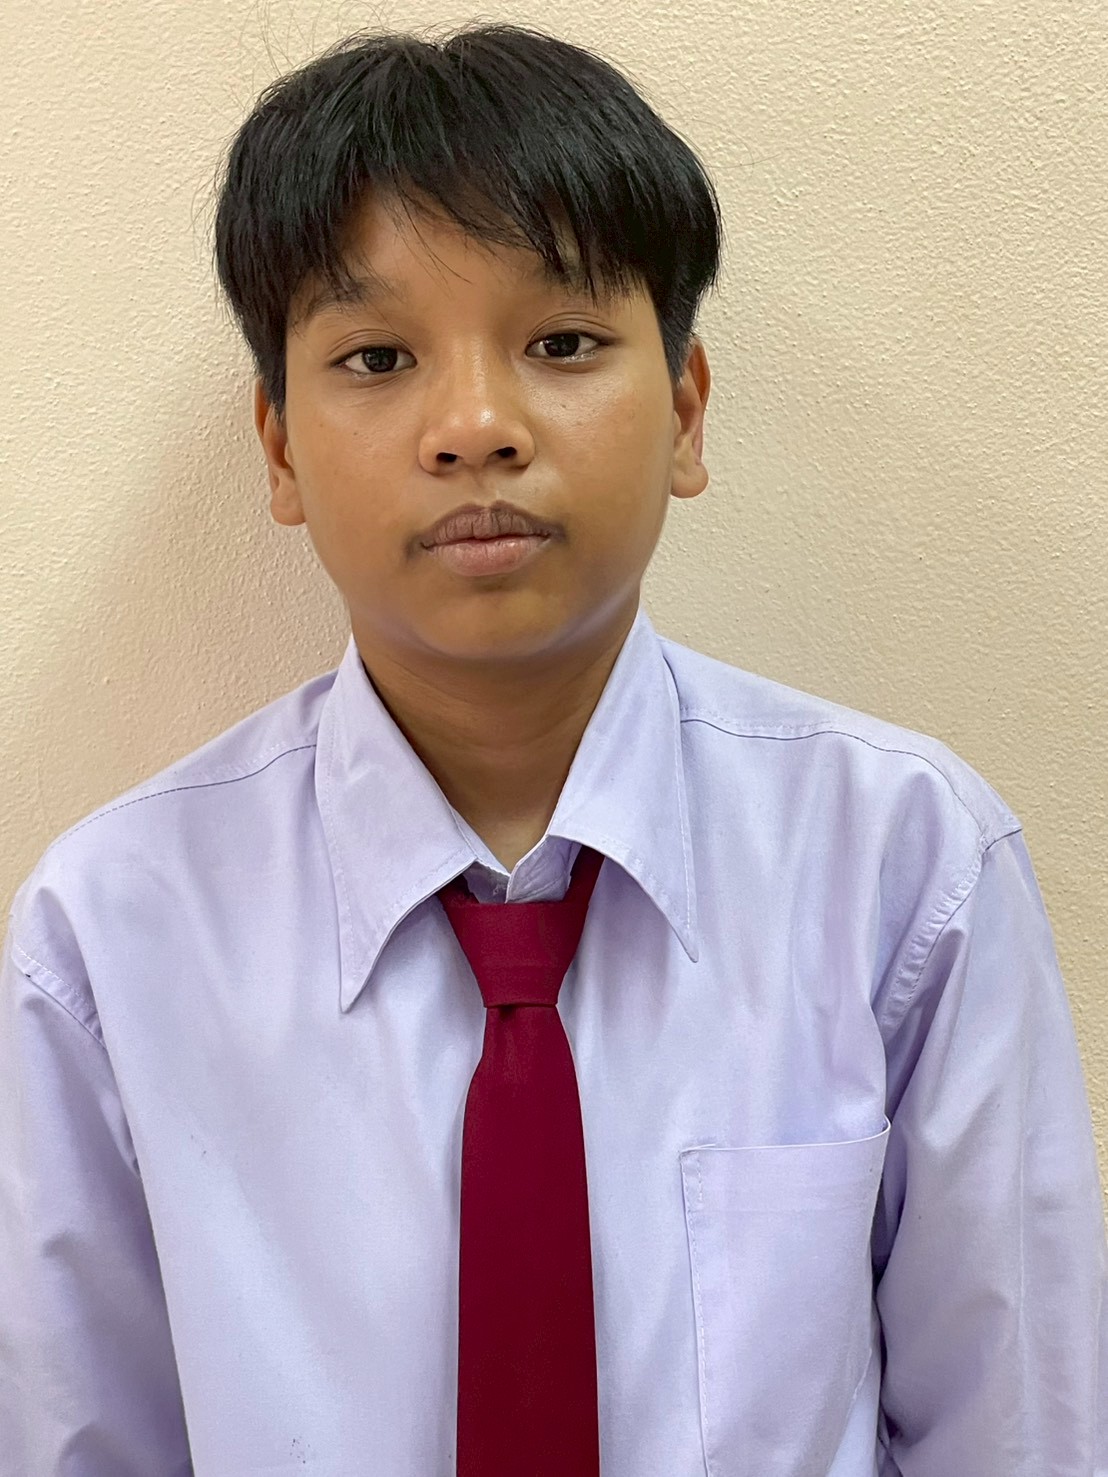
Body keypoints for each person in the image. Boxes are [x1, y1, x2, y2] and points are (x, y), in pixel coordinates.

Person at [1, 20, 1104, 1476]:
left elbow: (1020, 1433)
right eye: (378, 355)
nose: (475, 426)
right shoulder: (112, 936)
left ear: (687, 412)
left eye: (563, 343)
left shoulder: (905, 867)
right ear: (278, 449)